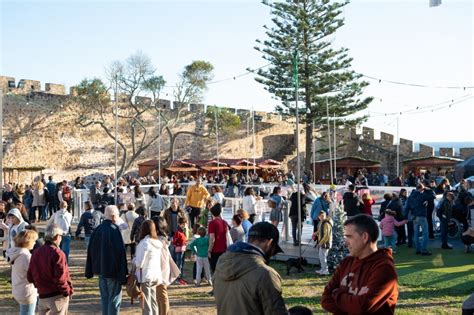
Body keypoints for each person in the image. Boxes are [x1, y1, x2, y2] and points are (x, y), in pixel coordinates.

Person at [321, 214, 398, 314]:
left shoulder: (384, 268)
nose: (345, 242)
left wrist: (336, 293)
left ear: (365, 237)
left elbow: (362, 307)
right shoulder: (346, 262)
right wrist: (352, 305)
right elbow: (325, 300)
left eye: (349, 237)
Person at [213, 222, 286, 314]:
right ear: (269, 243)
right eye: (274, 250)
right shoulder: (265, 274)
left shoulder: (220, 267)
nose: (271, 255)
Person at [85, 205, 128, 315]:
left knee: (105, 299)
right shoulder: (114, 230)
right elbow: (120, 254)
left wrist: (90, 269)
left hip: (100, 270)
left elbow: (90, 251)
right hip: (112, 271)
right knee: (114, 299)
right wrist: (123, 274)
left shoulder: (97, 229)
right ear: (113, 217)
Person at [27, 224, 73, 315]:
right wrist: (67, 291)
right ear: (57, 236)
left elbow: (30, 275)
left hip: (42, 296)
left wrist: (39, 286)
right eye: (61, 236)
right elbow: (60, 278)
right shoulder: (58, 253)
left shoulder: (36, 252)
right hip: (57, 296)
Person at [150, 216, 180, 315]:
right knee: (160, 295)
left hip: (160, 271)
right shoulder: (162, 239)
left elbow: (162, 260)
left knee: (161, 295)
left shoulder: (159, 241)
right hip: (161, 270)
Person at [133, 220, 164, 315]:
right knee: (153, 301)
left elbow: (139, 263)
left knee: (146, 304)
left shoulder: (144, 243)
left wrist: (134, 260)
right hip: (155, 275)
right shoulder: (157, 243)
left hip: (146, 276)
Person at [7, 229, 39, 315]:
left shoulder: (16, 252)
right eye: (34, 241)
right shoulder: (26, 256)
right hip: (27, 292)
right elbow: (35, 274)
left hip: (18, 288)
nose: (35, 243)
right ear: (28, 241)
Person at [404, 184, 436, 255]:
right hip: (421, 216)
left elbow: (406, 208)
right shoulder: (421, 195)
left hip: (414, 216)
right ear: (422, 189)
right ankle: (423, 250)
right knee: (425, 233)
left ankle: (418, 249)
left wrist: (405, 217)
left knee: (416, 234)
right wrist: (429, 189)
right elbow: (433, 196)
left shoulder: (410, 197)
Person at [207, 203, 229, 274]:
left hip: (215, 250)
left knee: (215, 270)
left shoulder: (212, 223)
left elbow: (212, 239)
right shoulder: (225, 223)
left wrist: (209, 250)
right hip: (224, 249)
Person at [314, 210, 332, 275]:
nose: (321, 217)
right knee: (321, 256)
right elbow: (320, 230)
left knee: (323, 257)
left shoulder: (326, 223)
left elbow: (326, 235)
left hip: (325, 243)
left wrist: (321, 242)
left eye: (323, 216)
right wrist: (316, 233)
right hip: (322, 242)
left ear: (325, 216)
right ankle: (323, 269)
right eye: (320, 216)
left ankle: (326, 270)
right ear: (318, 217)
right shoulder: (321, 222)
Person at [172, 217, 188, 285]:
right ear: (179, 224)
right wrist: (178, 244)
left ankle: (180, 277)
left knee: (181, 264)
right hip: (179, 249)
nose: (184, 225)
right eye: (182, 224)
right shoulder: (177, 231)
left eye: (184, 224)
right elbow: (174, 241)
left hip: (183, 249)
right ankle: (178, 278)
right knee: (179, 264)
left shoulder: (182, 230)